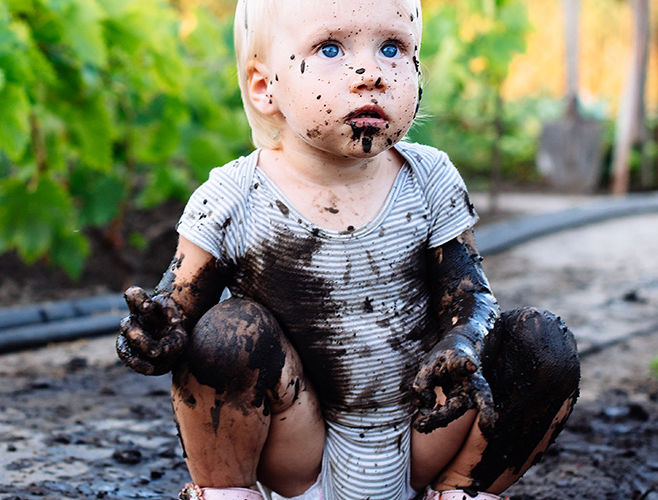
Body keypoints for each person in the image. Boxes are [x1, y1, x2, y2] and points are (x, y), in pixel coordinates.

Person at [116, 0, 581, 499]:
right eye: (331, 48)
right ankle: (229, 491)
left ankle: (462, 490)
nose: (370, 74)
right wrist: (151, 333)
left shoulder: (428, 179)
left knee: (541, 344)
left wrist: (462, 340)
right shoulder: (233, 198)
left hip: (426, 427)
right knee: (226, 333)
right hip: (298, 448)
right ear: (263, 85)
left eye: (392, 48)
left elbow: (471, 295)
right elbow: (177, 310)